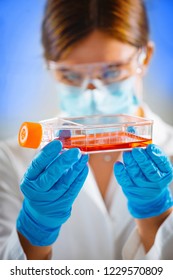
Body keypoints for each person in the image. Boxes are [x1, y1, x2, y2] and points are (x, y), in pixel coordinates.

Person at [0, 0, 173, 260]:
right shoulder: (11, 160)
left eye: (112, 71)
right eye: (70, 75)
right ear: (50, 66)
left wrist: (157, 217)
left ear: (145, 57)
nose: (92, 91)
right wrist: (34, 229)